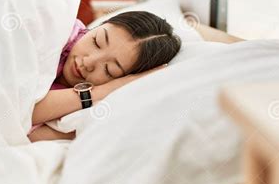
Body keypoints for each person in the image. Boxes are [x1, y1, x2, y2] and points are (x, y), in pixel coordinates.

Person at [28, 11, 182, 142]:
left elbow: (19, 118)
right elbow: (19, 106)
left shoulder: (101, 106)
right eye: (97, 41)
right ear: (100, 25)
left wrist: (105, 90)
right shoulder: (57, 31)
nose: (88, 62)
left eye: (110, 70)